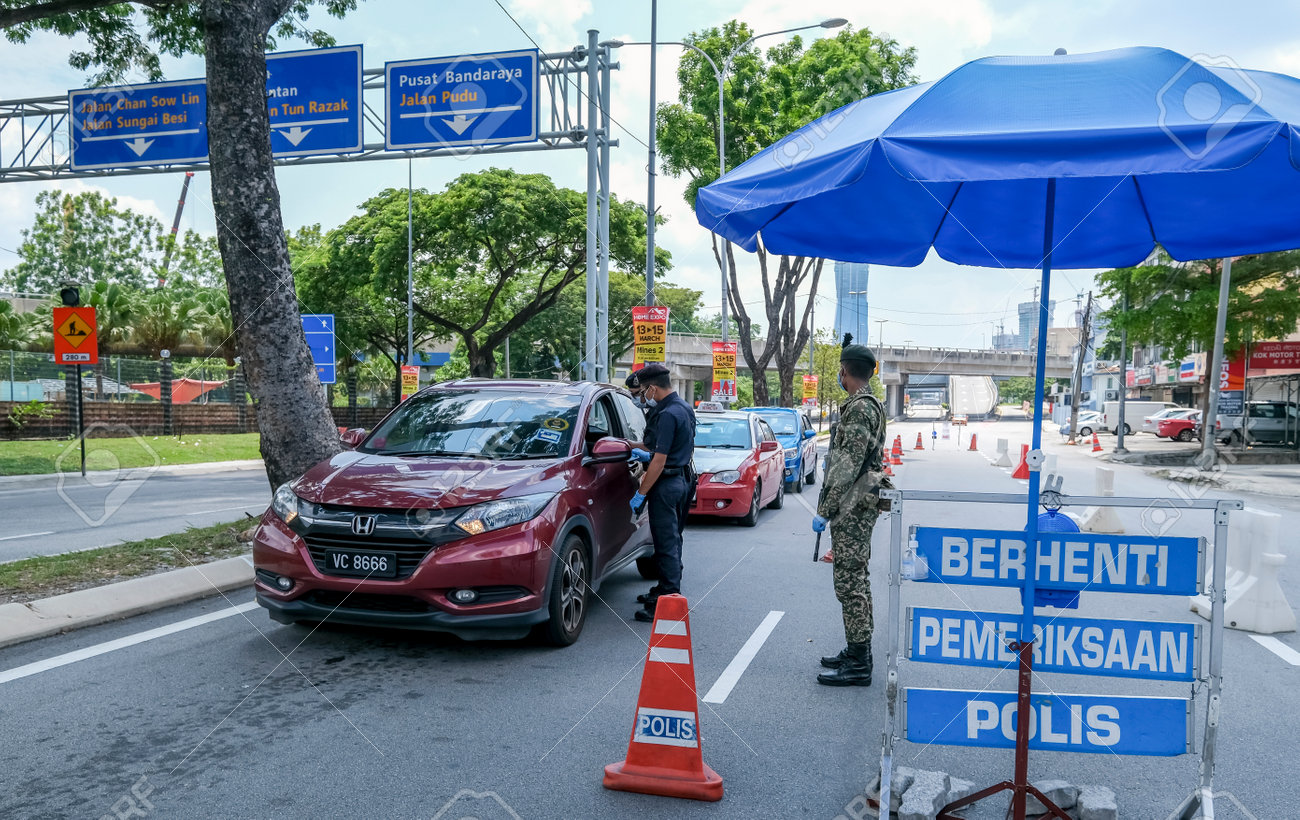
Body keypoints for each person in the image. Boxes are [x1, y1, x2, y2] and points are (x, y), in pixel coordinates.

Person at [812, 340, 888, 686]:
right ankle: (858, 650)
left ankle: (859, 662)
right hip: (858, 503)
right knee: (856, 580)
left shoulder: (860, 409)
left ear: (845, 371)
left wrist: (826, 510)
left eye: (840, 370)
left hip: (854, 506)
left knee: (850, 583)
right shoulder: (868, 404)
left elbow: (846, 464)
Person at [626, 363, 696, 622]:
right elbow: (659, 448)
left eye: (642, 392)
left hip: (666, 484)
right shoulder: (683, 408)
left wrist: (641, 493)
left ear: (652, 388)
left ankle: (668, 599)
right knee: (673, 539)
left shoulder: (667, 414)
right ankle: (664, 590)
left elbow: (658, 460)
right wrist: (633, 446)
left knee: (665, 543)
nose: (641, 398)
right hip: (681, 480)